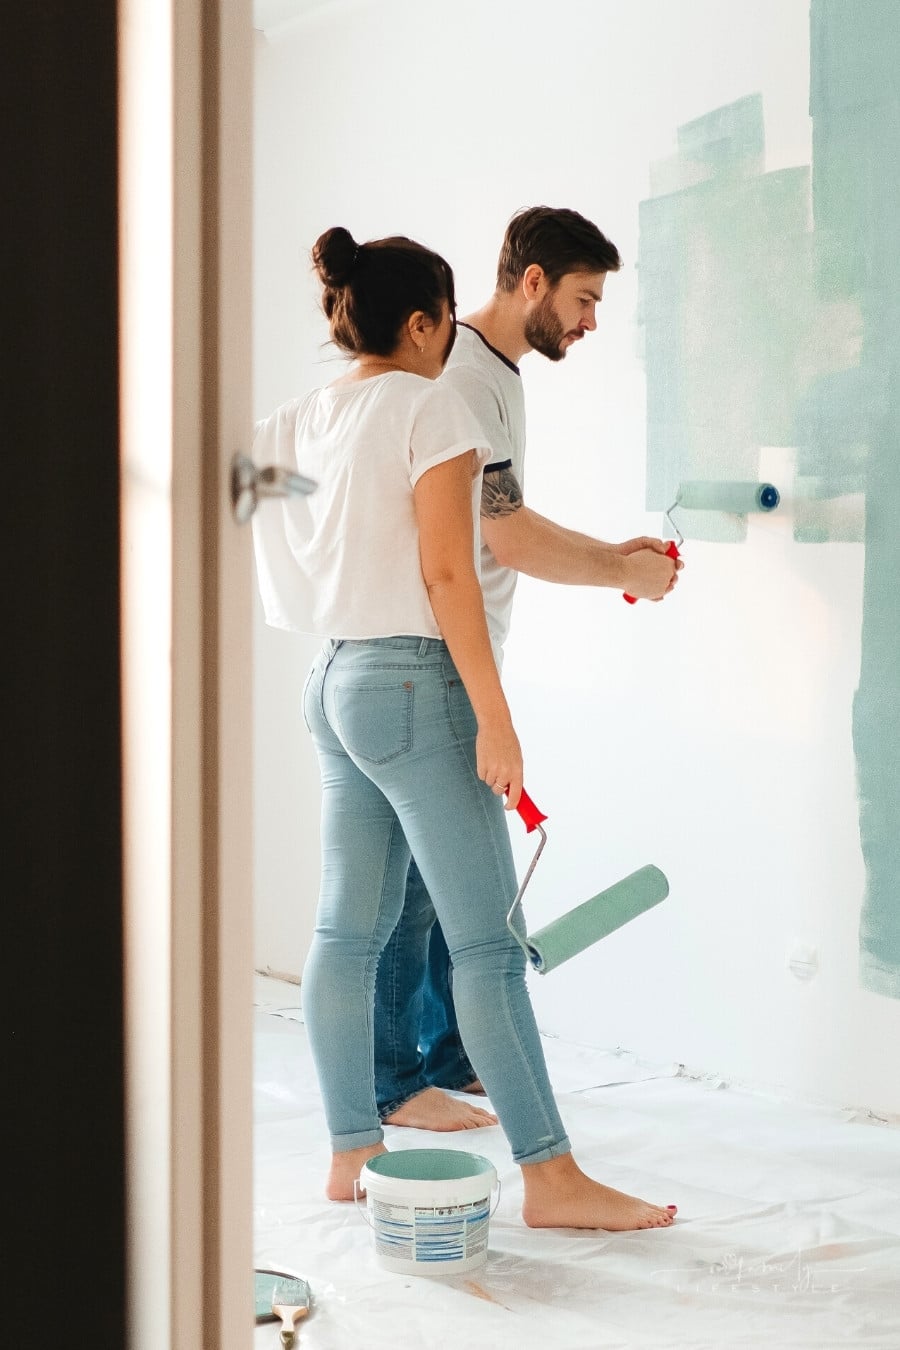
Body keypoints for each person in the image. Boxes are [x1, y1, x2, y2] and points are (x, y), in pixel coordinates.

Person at [252, 225, 677, 1230]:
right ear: (422, 322)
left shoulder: (308, 413)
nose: (450, 344)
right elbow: (452, 576)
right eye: (443, 326)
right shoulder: (430, 403)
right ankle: (554, 1178)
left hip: (333, 678)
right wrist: (497, 720)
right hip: (411, 684)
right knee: (487, 945)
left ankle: (353, 1149)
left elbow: (264, 508)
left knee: (342, 930)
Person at [373, 206, 682, 1131]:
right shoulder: (465, 377)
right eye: (585, 299)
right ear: (533, 280)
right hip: (428, 666)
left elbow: (502, 519)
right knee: (416, 888)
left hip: (449, 663)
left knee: (434, 883)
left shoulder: (492, 375)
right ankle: (397, 1080)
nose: (591, 321)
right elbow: (504, 533)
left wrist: (610, 552)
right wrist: (624, 572)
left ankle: (449, 1056)